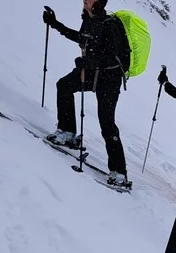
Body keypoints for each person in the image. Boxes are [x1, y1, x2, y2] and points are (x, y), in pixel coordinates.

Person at [42, 0, 131, 188]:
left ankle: (120, 173)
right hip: (91, 72)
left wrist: (92, 63)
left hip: (110, 78)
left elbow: (113, 57)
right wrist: (56, 24)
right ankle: (67, 132)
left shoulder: (110, 24)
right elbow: (81, 39)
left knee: (106, 122)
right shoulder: (88, 20)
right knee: (64, 85)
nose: (84, 1)